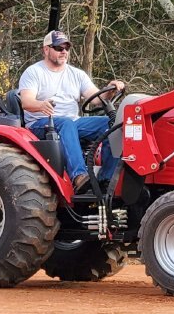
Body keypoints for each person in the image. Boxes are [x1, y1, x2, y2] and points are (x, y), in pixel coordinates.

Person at [19, 30, 125, 193]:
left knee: (113, 124)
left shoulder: (76, 74)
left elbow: (97, 98)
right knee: (67, 124)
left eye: (66, 48)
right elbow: (26, 102)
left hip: (72, 122)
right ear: (46, 50)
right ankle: (79, 176)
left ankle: (106, 180)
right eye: (58, 48)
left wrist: (111, 89)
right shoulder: (34, 72)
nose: (64, 52)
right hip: (40, 123)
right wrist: (40, 105)